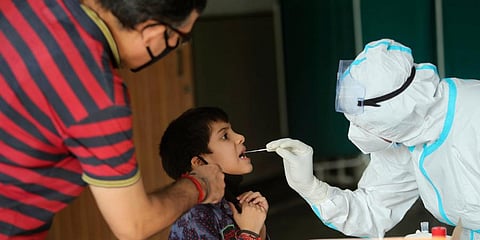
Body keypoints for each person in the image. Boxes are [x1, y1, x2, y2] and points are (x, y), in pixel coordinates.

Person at [0, 0, 225, 239]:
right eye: (180, 38)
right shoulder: (97, 97)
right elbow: (135, 224)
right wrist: (200, 185)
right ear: (153, 33)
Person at [266, 39, 480, 239]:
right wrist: (313, 189)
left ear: (395, 114)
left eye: (367, 126)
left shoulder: (473, 115)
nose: (355, 134)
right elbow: (373, 210)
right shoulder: (406, 136)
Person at [160, 106, 270, 240]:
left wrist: (259, 227)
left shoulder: (231, 203)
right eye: (225, 136)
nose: (240, 137)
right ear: (199, 164)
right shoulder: (193, 216)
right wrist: (250, 233)